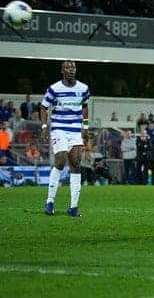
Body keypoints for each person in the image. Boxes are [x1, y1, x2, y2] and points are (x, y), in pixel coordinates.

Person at [41, 60, 90, 217]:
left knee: (75, 163)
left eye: (73, 67)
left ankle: (74, 207)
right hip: (59, 129)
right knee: (60, 160)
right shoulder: (54, 89)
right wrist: (44, 126)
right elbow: (43, 107)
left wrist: (86, 128)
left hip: (75, 130)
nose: (71, 69)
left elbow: (85, 107)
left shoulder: (83, 88)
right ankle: (50, 201)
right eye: (68, 67)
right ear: (62, 71)